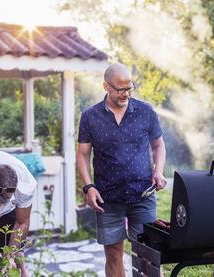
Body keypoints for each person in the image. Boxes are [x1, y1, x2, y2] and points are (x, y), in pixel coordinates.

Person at [77, 63, 167, 277]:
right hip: (107, 198)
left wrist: (159, 171)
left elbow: (158, 146)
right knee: (114, 254)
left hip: (142, 194)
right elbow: (82, 154)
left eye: (129, 88)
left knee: (148, 254)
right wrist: (88, 186)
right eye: (120, 89)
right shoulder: (90, 117)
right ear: (106, 86)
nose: (126, 93)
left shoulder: (146, 112)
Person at [0, 149, 37, 277]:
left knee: (16, 257)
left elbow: (22, 223)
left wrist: (10, 255)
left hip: (8, 213)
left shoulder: (26, 185)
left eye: (3, 202)